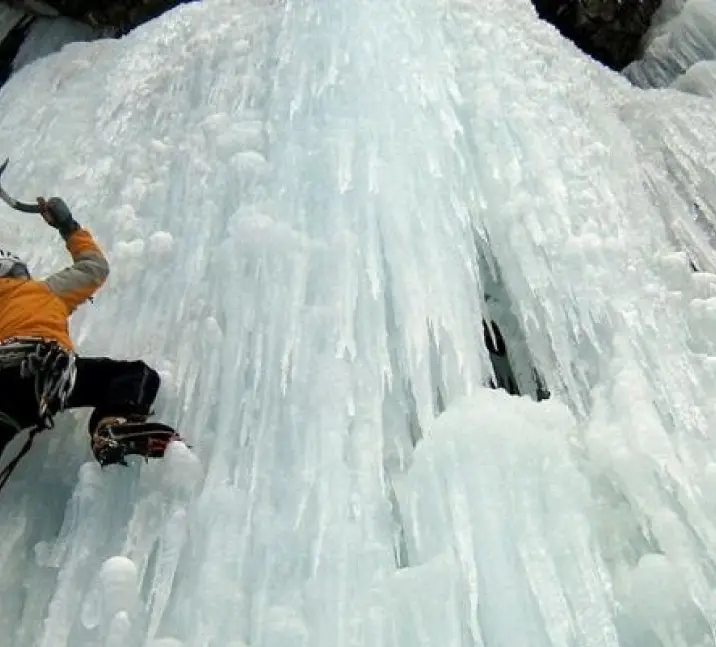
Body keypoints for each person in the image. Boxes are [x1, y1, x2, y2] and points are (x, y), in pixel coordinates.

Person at [0, 196, 179, 486]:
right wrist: (67, 226)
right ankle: (111, 426)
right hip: (42, 374)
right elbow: (94, 267)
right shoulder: (42, 290)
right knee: (134, 374)